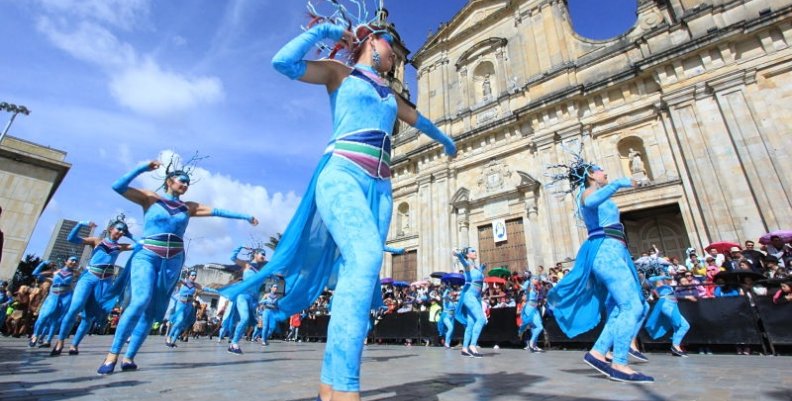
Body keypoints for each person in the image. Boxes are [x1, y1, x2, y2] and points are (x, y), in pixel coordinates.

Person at [219, 4, 456, 400]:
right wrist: (324, 32)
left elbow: (421, 120)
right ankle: (347, 390)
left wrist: (447, 141)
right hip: (343, 173)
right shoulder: (338, 74)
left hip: (380, 189)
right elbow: (283, 62)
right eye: (391, 44)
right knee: (365, 258)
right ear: (370, 41)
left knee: (356, 278)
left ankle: (329, 387)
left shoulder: (389, 94)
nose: (397, 54)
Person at [97, 158, 257, 375]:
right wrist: (143, 168)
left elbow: (218, 211)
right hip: (148, 255)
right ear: (170, 181)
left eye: (187, 183)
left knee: (152, 311)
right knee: (140, 300)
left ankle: (129, 357)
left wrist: (246, 216)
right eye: (181, 181)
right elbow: (118, 186)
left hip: (172, 260)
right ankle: (112, 355)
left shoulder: (187, 207)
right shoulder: (150, 199)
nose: (184, 185)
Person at [546, 150, 653, 383]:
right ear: (592, 175)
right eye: (602, 170)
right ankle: (620, 363)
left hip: (616, 251)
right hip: (605, 252)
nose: (606, 172)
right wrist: (618, 183)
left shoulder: (601, 193)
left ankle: (598, 352)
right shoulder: (588, 193)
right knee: (632, 306)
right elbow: (592, 201)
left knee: (621, 307)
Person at [52, 218, 135, 356]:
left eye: (123, 231)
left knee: (89, 316)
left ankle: (75, 345)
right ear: (110, 229)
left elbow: (142, 245)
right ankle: (60, 341)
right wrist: (80, 224)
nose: (120, 232)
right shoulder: (97, 241)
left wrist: (130, 235)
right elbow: (72, 238)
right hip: (89, 277)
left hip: (105, 282)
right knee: (75, 307)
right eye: (118, 229)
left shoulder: (120, 247)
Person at [29, 257, 80, 347]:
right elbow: (35, 274)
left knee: (57, 320)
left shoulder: (75, 273)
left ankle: (48, 340)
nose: (74, 262)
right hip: (53, 296)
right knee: (43, 316)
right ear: (66, 261)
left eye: (76, 261)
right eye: (72, 260)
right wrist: (43, 263)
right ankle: (35, 335)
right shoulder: (55, 272)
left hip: (66, 297)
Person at [227, 246, 267, 354]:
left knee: (248, 322)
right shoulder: (247, 265)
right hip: (243, 296)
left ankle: (233, 343)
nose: (263, 256)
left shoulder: (261, 271)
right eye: (262, 254)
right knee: (244, 319)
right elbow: (232, 257)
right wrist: (240, 247)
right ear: (255, 254)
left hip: (253, 300)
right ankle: (234, 343)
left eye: (265, 255)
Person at [643, 276, 694, 357]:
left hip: (672, 304)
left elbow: (673, 296)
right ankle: (675, 347)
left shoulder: (666, 285)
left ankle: (675, 348)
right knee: (684, 325)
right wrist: (663, 276)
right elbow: (650, 280)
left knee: (677, 326)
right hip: (666, 304)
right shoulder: (655, 281)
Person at [453, 247, 487, 358]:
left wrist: (481, 269)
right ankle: (473, 346)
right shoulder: (467, 264)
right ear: (467, 255)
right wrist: (459, 255)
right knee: (481, 319)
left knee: (471, 323)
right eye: (472, 251)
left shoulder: (475, 268)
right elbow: (463, 261)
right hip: (469, 296)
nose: (475, 252)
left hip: (475, 297)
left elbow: (477, 279)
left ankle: (464, 348)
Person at [165, 270, 203, 347]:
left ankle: (173, 341)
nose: (194, 277)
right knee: (179, 320)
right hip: (181, 304)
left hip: (189, 306)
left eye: (195, 275)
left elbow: (204, 289)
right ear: (188, 276)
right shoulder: (184, 282)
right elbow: (176, 278)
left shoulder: (196, 285)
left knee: (182, 324)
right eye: (192, 275)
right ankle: (169, 337)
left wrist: (218, 290)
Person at [518, 276, 544, 353]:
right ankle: (532, 343)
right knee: (539, 327)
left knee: (536, 327)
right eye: (536, 279)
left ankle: (534, 345)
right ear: (532, 279)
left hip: (535, 309)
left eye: (538, 279)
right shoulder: (528, 284)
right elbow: (523, 288)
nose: (537, 280)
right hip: (529, 308)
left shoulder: (537, 287)